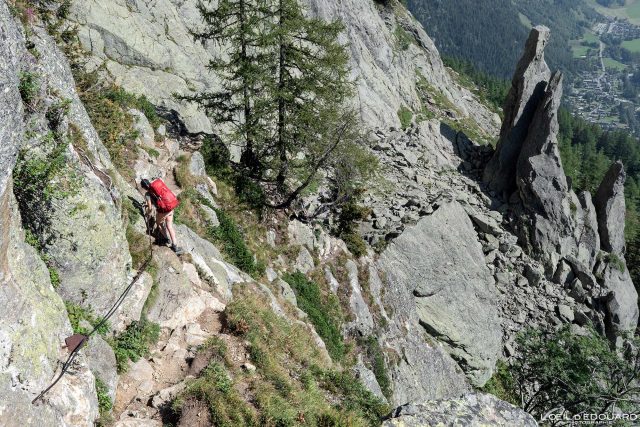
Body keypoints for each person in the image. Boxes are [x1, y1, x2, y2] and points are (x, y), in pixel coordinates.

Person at [141, 178, 183, 254]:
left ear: (144, 187)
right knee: (169, 226)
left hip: (162, 211)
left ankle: (166, 239)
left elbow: (150, 208)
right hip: (170, 208)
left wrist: (147, 213)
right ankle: (175, 246)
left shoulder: (147, 194)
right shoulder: (158, 188)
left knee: (159, 223)